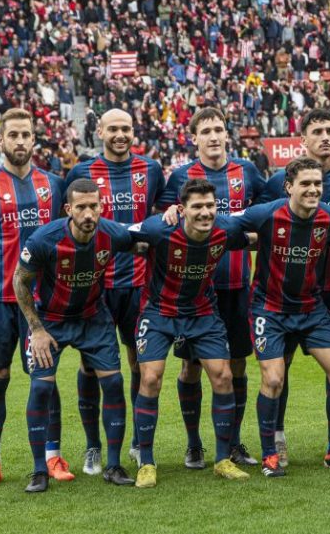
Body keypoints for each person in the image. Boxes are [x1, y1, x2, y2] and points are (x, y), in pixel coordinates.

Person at [233, 157, 330, 477]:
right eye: (305, 184)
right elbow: (228, 227)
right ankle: (269, 455)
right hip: (270, 308)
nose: (312, 189)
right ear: (288, 187)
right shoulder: (266, 214)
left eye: (317, 184)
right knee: (274, 378)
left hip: (312, 309)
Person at [0, 107, 68, 488]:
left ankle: (54, 456)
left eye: (26, 134)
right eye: (14, 135)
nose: (20, 141)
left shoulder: (54, 185)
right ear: (1, 141)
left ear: (34, 139)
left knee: (46, 378)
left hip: (41, 303)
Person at [157, 108, 265, 469]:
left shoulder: (247, 172)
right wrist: (171, 212)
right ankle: (193, 444)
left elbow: (265, 215)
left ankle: (233, 443)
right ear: (195, 138)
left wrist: (250, 240)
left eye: (219, 129)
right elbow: (164, 221)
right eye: (207, 130)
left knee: (236, 366)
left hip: (236, 285)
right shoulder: (180, 176)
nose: (214, 136)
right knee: (190, 368)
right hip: (194, 292)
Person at [13, 178, 137, 492]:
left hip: (93, 318)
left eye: (93, 206)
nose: (88, 213)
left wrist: (169, 218)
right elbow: (20, 281)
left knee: (113, 382)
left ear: (101, 207)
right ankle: (39, 470)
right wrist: (36, 329)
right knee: (41, 388)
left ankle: (112, 465)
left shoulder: (112, 234)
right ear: (68, 209)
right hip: (51, 321)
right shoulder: (45, 239)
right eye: (80, 207)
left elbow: (147, 237)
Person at [129, 179, 255, 488]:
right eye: (197, 207)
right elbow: (123, 237)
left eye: (210, 205)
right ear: (182, 209)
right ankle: (146, 461)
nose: (205, 212)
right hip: (159, 311)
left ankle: (223, 459)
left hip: (202, 311)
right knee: (150, 378)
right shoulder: (159, 228)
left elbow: (257, 232)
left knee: (223, 376)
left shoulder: (226, 230)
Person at [261, 108, 330, 466]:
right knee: (280, 365)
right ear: (302, 139)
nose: (325, 137)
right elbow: (262, 224)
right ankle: (277, 436)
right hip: (286, 292)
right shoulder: (279, 180)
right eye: (317, 131)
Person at [65, 109, 165, 474]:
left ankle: (140, 442)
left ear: (133, 131)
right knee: (90, 366)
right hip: (97, 284)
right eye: (113, 129)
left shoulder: (151, 170)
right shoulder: (81, 172)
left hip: (140, 284)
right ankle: (93, 446)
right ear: (100, 131)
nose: (120, 135)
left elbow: (165, 214)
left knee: (140, 362)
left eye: (126, 128)